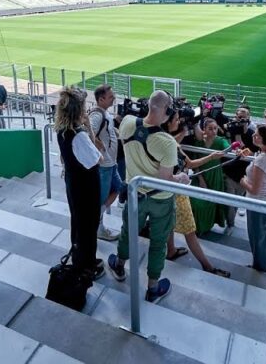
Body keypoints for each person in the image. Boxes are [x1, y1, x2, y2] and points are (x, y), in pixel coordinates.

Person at [107, 90, 190, 304]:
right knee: (158, 241)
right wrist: (180, 177)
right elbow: (164, 180)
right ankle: (153, 287)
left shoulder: (126, 122)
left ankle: (119, 264)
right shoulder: (166, 142)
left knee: (128, 232)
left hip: (135, 194)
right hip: (160, 200)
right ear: (167, 110)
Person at [164, 111, 230, 278]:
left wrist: (182, 134)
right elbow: (190, 163)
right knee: (190, 231)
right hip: (177, 189)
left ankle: (171, 250)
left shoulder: (162, 139)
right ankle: (207, 266)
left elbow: (187, 159)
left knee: (169, 222)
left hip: (163, 189)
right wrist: (211, 157)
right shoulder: (169, 142)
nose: (179, 122)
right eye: (177, 120)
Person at [54, 87, 104, 284]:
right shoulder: (78, 134)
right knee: (88, 225)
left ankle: (81, 259)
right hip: (86, 186)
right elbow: (97, 157)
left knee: (79, 222)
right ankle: (86, 265)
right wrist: (88, 128)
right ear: (78, 110)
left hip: (74, 184)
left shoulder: (62, 130)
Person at [239, 124, 266, 273]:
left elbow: (255, 189)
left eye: (257, 135)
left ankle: (260, 267)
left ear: (265, 139)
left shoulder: (262, 161)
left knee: (257, 237)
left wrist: (242, 180)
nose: (253, 136)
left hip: (259, 205)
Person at [89, 85, 123, 241]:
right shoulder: (97, 115)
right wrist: (98, 144)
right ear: (101, 99)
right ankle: (97, 228)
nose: (113, 98)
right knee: (101, 198)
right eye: (110, 97)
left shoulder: (105, 113)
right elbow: (88, 133)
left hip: (111, 163)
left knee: (118, 187)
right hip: (104, 166)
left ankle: (97, 216)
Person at [186, 117, 229, 235]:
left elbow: (227, 148)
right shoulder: (198, 142)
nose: (214, 131)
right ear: (203, 129)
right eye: (210, 129)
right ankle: (196, 227)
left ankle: (207, 227)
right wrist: (200, 179)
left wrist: (236, 149)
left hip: (215, 176)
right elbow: (194, 162)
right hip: (200, 175)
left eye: (215, 128)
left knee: (212, 203)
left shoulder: (220, 141)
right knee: (196, 202)